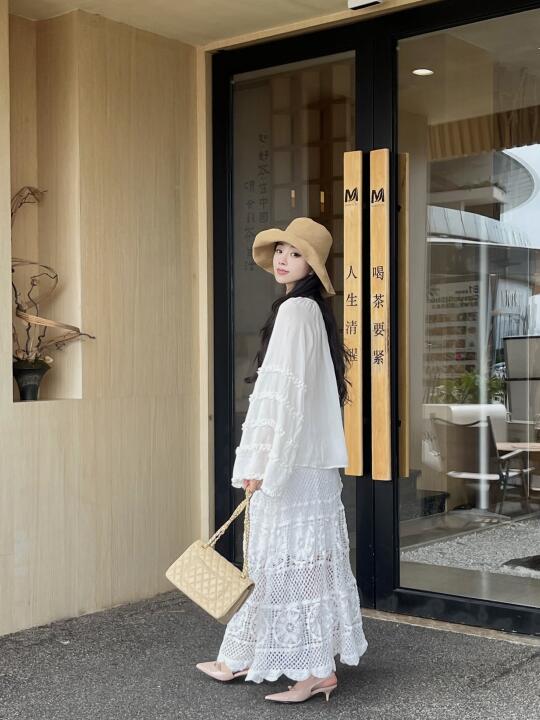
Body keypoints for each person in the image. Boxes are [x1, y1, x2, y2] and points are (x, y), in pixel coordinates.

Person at [196, 217, 368, 703]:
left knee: (281, 561)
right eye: (280, 250)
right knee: (295, 561)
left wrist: (259, 461)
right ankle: (251, 654)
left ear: (311, 265)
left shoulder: (295, 311)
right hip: (307, 464)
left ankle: (312, 672)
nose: (282, 259)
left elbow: (280, 395)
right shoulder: (311, 312)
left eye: (295, 253)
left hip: (289, 465)